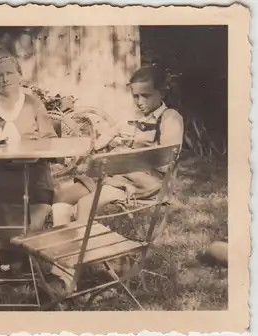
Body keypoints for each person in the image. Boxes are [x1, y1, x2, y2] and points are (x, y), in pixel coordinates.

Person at [50, 65, 184, 290]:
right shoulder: (132, 116)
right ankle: (62, 261)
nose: (139, 101)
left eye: (145, 96)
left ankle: (69, 275)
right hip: (115, 174)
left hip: (146, 182)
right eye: (135, 96)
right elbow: (105, 138)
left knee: (85, 204)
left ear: (162, 92)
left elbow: (164, 161)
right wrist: (104, 141)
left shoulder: (170, 118)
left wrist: (124, 153)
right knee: (62, 196)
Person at [0, 56, 58, 270]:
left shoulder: (32, 103)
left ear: (20, 75)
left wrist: (35, 150)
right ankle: (2, 253)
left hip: (32, 166)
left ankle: (27, 248)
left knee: (36, 192)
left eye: (10, 73)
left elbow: (49, 138)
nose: (5, 78)